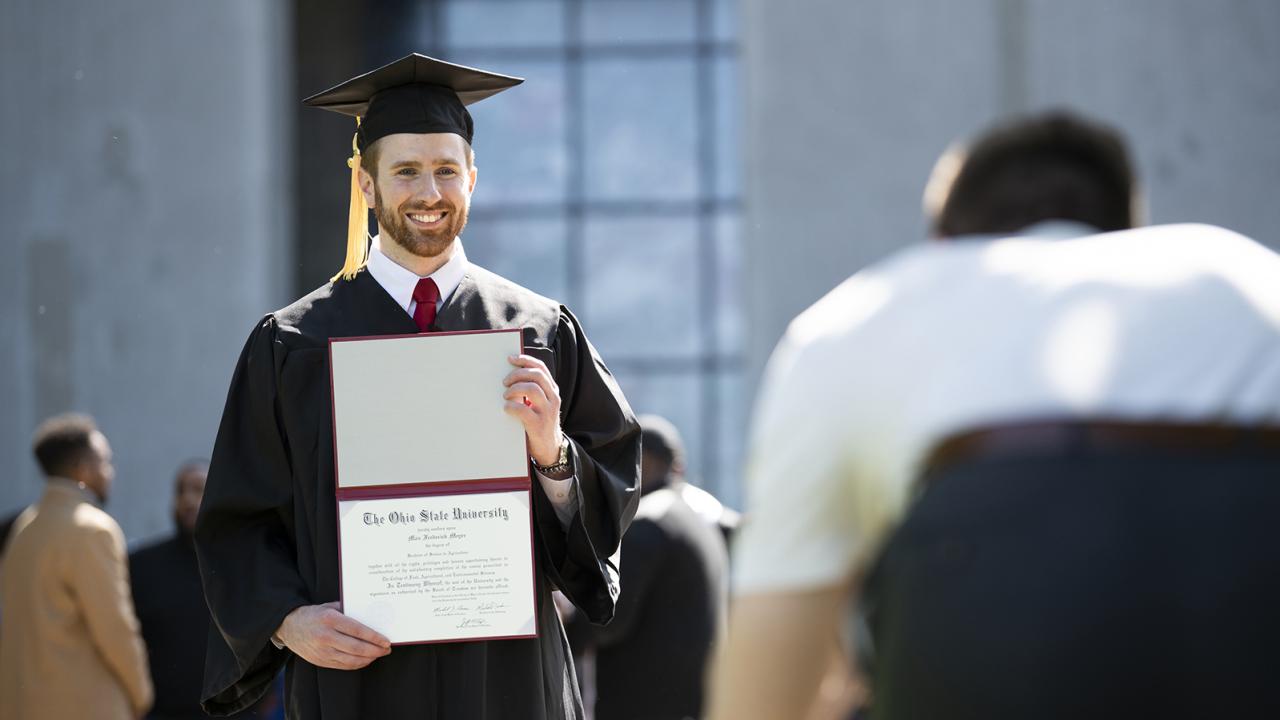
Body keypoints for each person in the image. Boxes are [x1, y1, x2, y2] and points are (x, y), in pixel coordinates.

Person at [708, 112, 1280, 719]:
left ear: (946, 244)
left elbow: (766, 690)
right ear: (1125, 232)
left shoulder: (866, 314)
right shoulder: (1248, 272)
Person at [195, 53, 640, 719]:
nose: (429, 192)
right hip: (360, 685)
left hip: (508, 683)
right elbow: (238, 520)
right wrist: (288, 622)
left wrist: (553, 452)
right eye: (405, 171)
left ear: (472, 180)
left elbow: (610, 501)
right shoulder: (294, 345)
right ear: (368, 186)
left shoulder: (540, 330)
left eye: (446, 171)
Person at [567, 415, 728, 720]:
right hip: (690, 702)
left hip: (645, 704)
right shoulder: (697, 519)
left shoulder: (649, 523)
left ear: (643, 462)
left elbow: (608, 619)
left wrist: (563, 626)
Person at [0, 413, 153, 720]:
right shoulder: (93, 530)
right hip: (86, 707)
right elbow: (114, 628)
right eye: (106, 461)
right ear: (83, 468)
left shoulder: (23, 528)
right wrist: (142, 694)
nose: (110, 471)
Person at [130, 462, 280, 719]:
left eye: (198, 489)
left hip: (239, 712)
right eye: (181, 491)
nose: (188, 499)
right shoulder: (140, 565)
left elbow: (270, 634)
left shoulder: (248, 564)